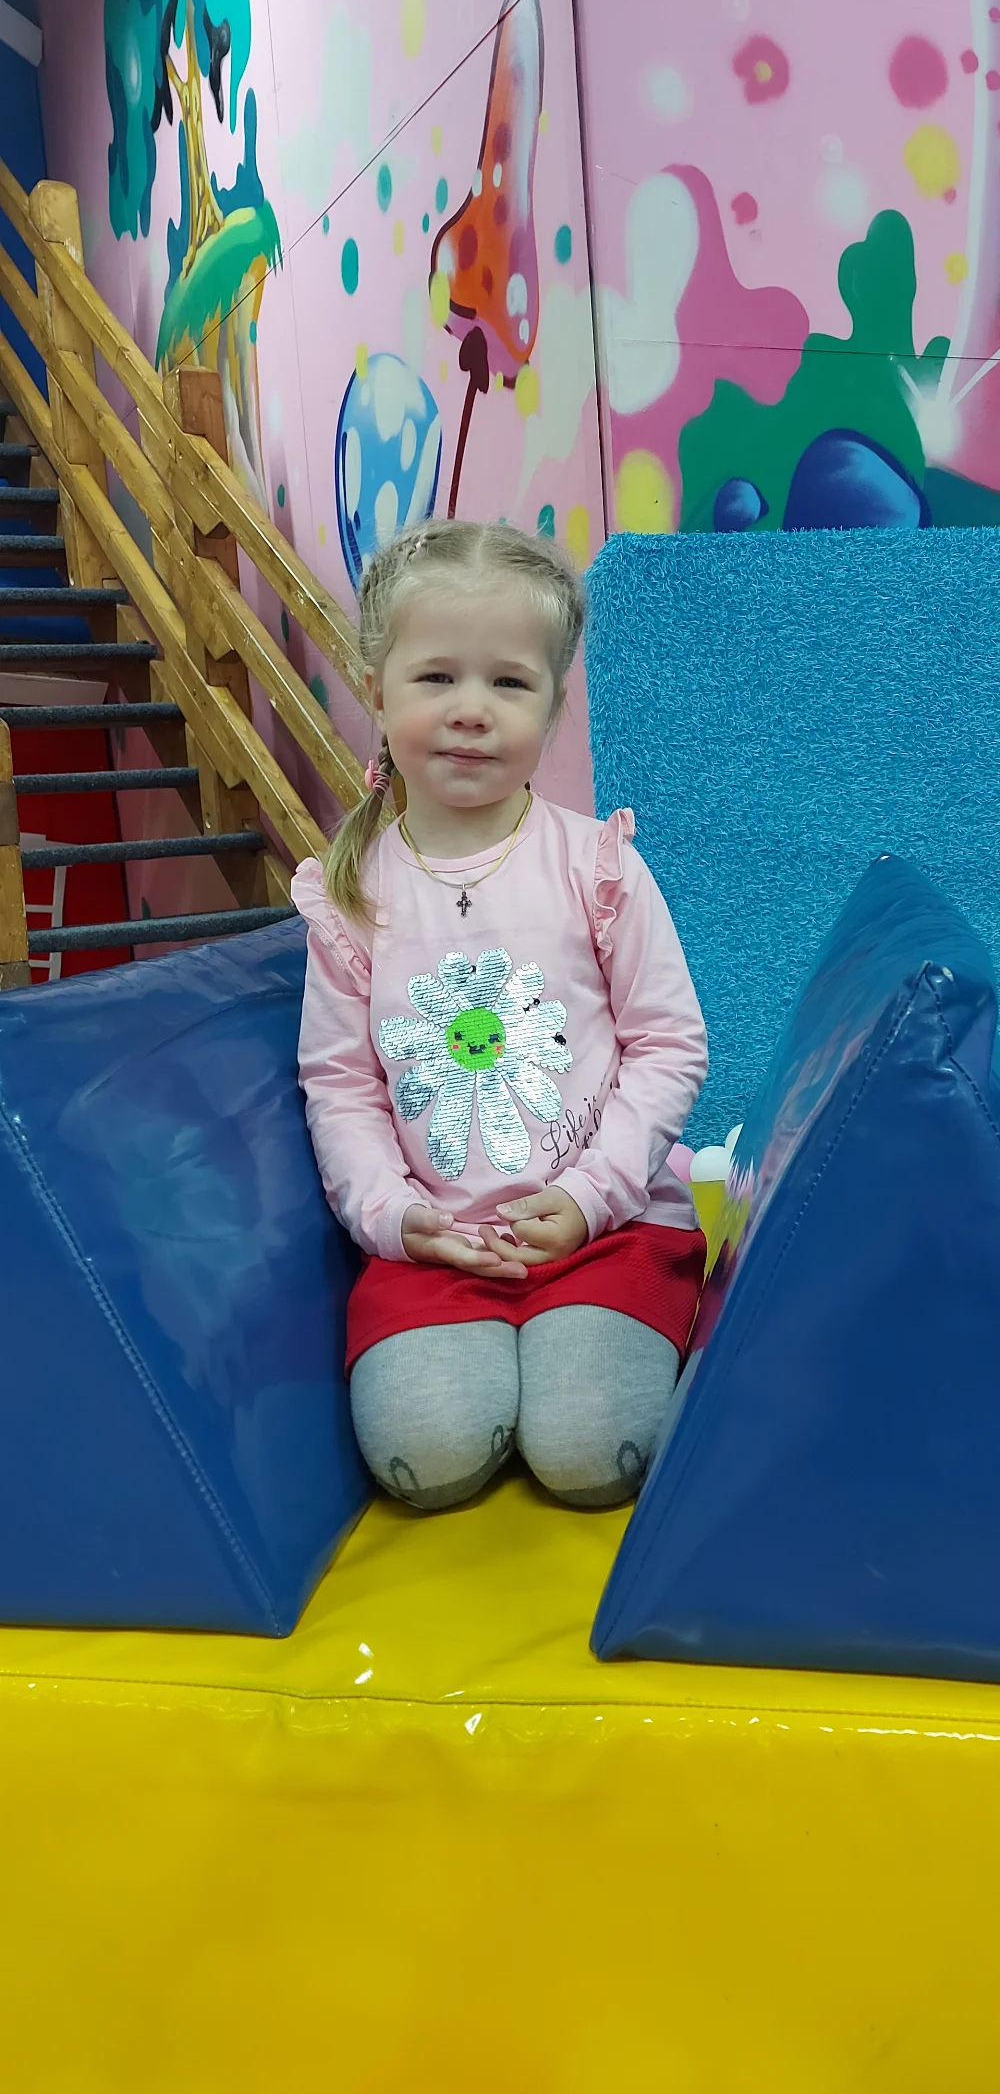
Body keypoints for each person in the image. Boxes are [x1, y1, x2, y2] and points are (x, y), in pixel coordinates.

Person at [292, 518, 708, 1512]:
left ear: (554, 706)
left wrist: (593, 1195)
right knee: (427, 1457)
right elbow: (341, 1085)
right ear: (376, 690)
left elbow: (666, 1043)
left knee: (589, 1454)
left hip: (607, 1230)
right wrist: (395, 1217)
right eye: (437, 677)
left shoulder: (597, 865)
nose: (471, 711)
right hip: (438, 1250)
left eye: (509, 683)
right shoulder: (351, 895)